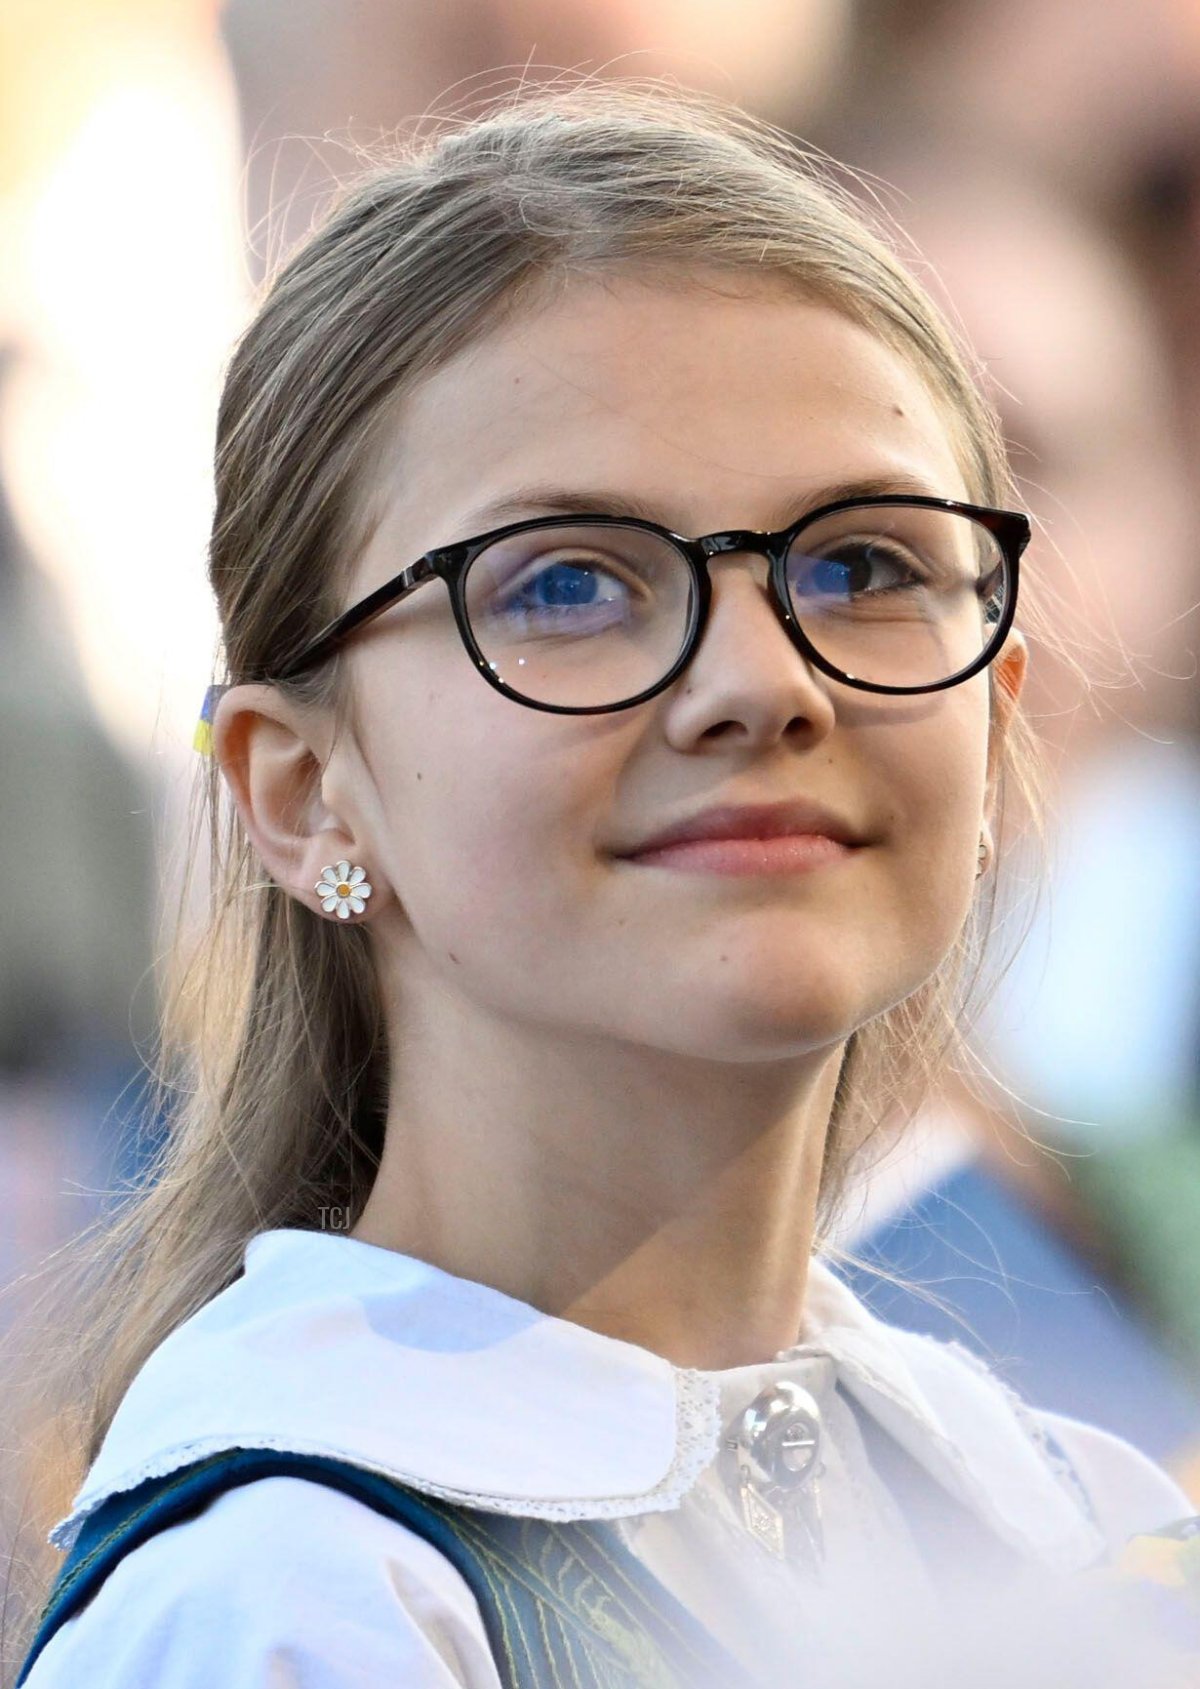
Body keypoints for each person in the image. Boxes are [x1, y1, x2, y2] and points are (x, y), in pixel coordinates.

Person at [9, 78, 1197, 1688]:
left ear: (996, 718)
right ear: (300, 789)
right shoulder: (290, 1602)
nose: (762, 683)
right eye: (568, 583)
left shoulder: (1078, 1521)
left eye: (864, 564)